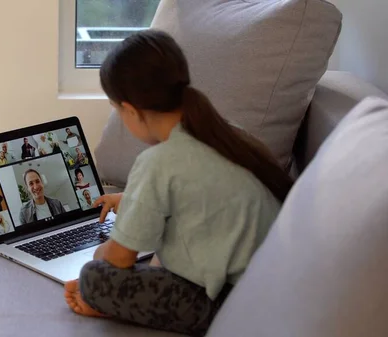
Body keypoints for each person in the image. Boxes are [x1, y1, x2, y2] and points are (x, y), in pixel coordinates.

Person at [63, 30, 293, 336]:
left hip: (229, 304)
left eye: (117, 110)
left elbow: (117, 260)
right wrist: (132, 202)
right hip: (273, 290)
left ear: (130, 110)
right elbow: (201, 198)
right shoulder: (229, 135)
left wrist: (99, 253)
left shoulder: (159, 161)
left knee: (95, 277)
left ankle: (100, 302)